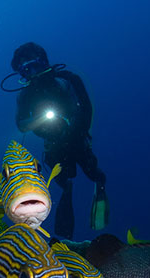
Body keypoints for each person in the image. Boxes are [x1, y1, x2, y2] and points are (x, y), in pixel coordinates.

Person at [6, 42, 108, 238]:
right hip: (54, 146)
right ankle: (64, 236)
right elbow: (21, 124)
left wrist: (72, 128)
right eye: (26, 69)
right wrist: (43, 122)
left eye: (35, 65)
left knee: (92, 172)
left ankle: (100, 191)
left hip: (77, 139)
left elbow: (86, 109)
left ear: (45, 62)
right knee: (64, 182)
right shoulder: (25, 95)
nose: (32, 72)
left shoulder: (68, 80)